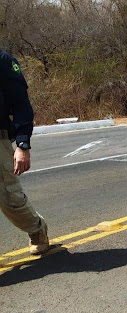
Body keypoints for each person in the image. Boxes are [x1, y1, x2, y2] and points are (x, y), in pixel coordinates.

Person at [0, 50, 49, 255]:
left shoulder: (3, 62)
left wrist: (22, 145)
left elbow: (21, 105)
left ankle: (37, 229)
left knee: (8, 197)